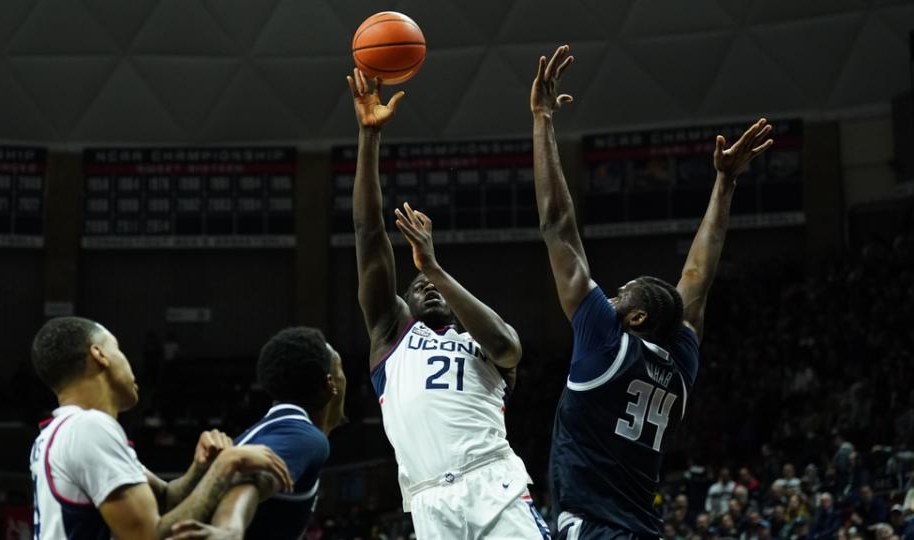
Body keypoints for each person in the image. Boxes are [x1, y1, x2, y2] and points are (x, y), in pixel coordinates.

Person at [530, 44, 773, 540]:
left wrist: (541, 119)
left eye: (621, 295)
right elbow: (698, 280)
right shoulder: (677, 366)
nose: (611, 297)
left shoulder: (606, 342)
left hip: (597, 529)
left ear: (636, 319)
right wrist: (724, 184)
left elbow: (558, 224)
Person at [343, 67, 548, 539]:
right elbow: (368, 235)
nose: (427, 287)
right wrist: (368, 138)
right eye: (417, 286)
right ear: (405, 305)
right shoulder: (392, 333)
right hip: (428, 499)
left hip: (492, 482)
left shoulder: (481, 340)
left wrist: (432, 267)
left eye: (434, 285)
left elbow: (509, 347)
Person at [29, 316, 291, 539]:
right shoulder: (89, 428)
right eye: (118, 349)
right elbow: (148, 535)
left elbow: (164, 499)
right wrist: (228, 464)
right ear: (99, 355)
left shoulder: (62, 431)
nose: (129, 362)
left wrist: (201, 468)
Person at [168, 326, 348, 540]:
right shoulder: (302, 436)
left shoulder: (282, 429)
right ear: (331, 385)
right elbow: (251, 482)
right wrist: (229, 530)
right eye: (341, 371)